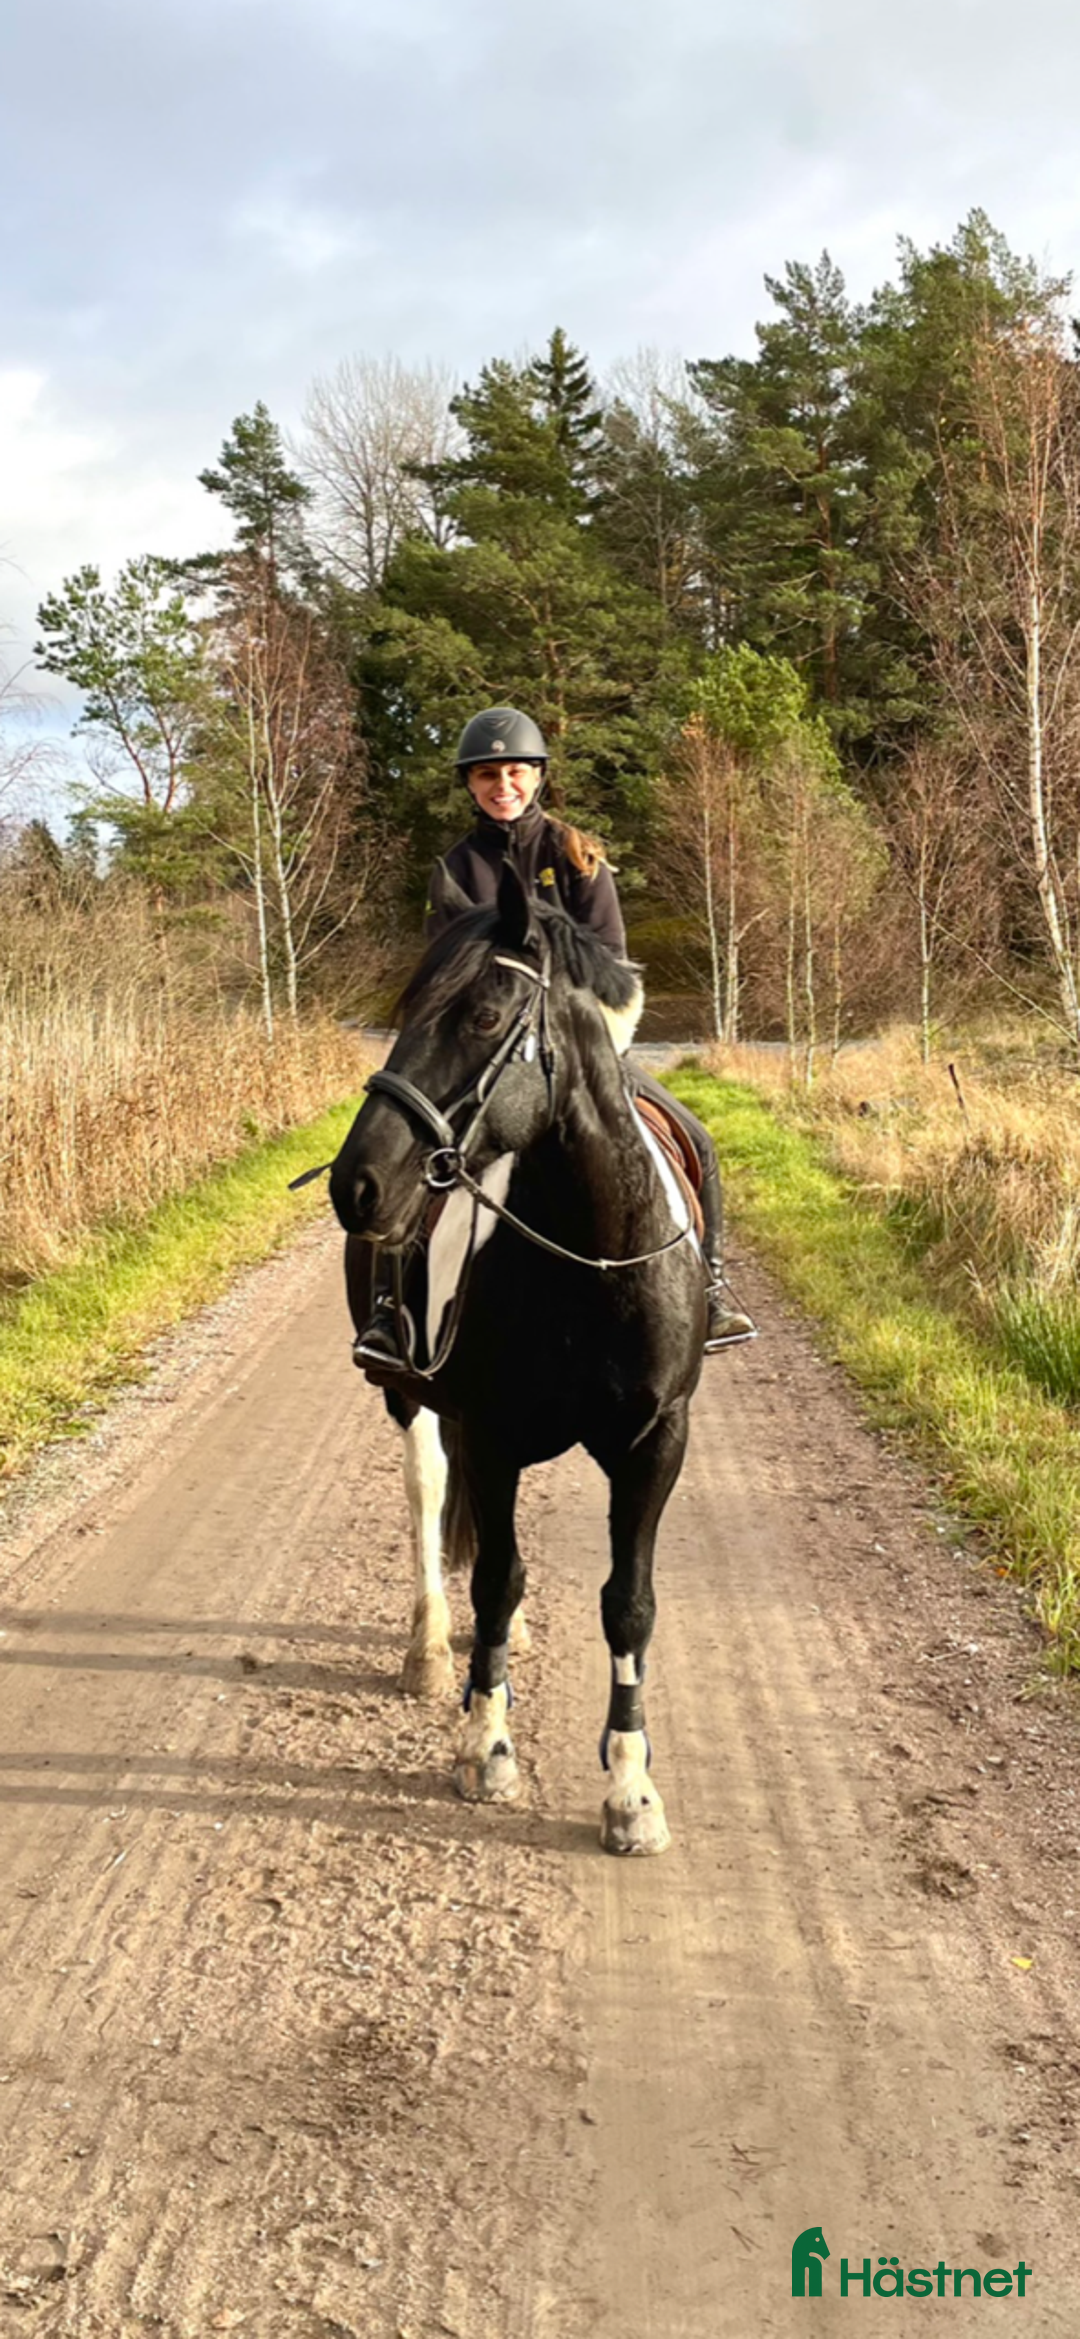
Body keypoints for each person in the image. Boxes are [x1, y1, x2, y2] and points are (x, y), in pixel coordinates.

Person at [356, 707, 754, 1366]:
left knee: (698, 1142)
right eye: (488, 774)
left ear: (537, 776)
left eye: (515, 771)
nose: (502, 784)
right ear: (470, 783)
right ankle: (388, 1314)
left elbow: (616, 972)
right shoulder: (455, 868)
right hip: (488, 1057)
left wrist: (586, 1053)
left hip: (581, 1052)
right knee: (418, 1162)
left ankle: (711, 1289)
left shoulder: (579, 854)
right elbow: (446, 979)